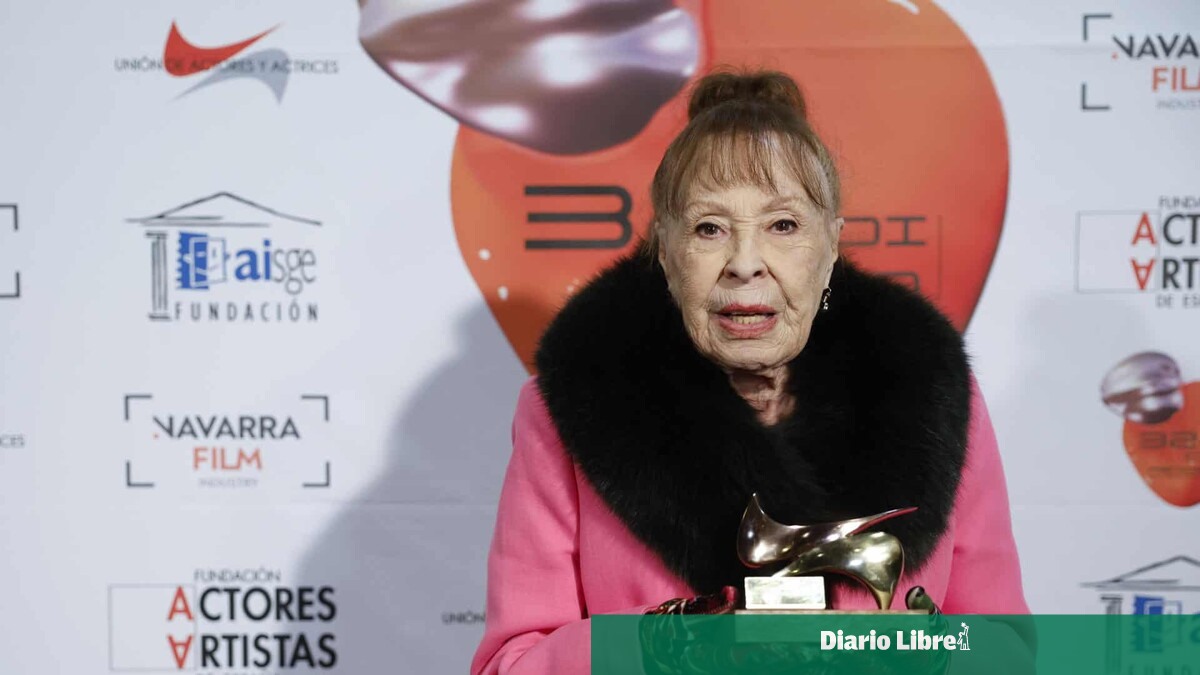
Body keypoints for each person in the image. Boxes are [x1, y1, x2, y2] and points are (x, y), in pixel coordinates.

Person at [470, 70, 1030, 675]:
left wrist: (916, 648)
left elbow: (1008, 651)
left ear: (831, 248)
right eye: (709, 229)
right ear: (665, 253)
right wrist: (676, 643)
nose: (744, 263)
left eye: (782, 226)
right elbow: (511, 665)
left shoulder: (931, 395)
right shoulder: (571, 408)